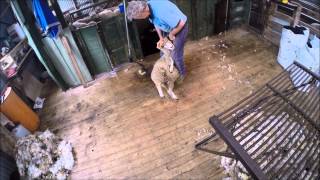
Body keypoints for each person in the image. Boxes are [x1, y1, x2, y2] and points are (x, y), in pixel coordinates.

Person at [126, 0, 188, 81]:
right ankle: (167, 70)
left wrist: (170, 36)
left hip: (180, 27)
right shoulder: (148, 8)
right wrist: (161, 38)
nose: (139, 19)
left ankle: (182, 74)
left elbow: (181, 23)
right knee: (163, 51)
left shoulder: (161, 12)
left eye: (138, 17)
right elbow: (156, 23)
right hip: (168, 26)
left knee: (176, 54)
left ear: (142, 11)